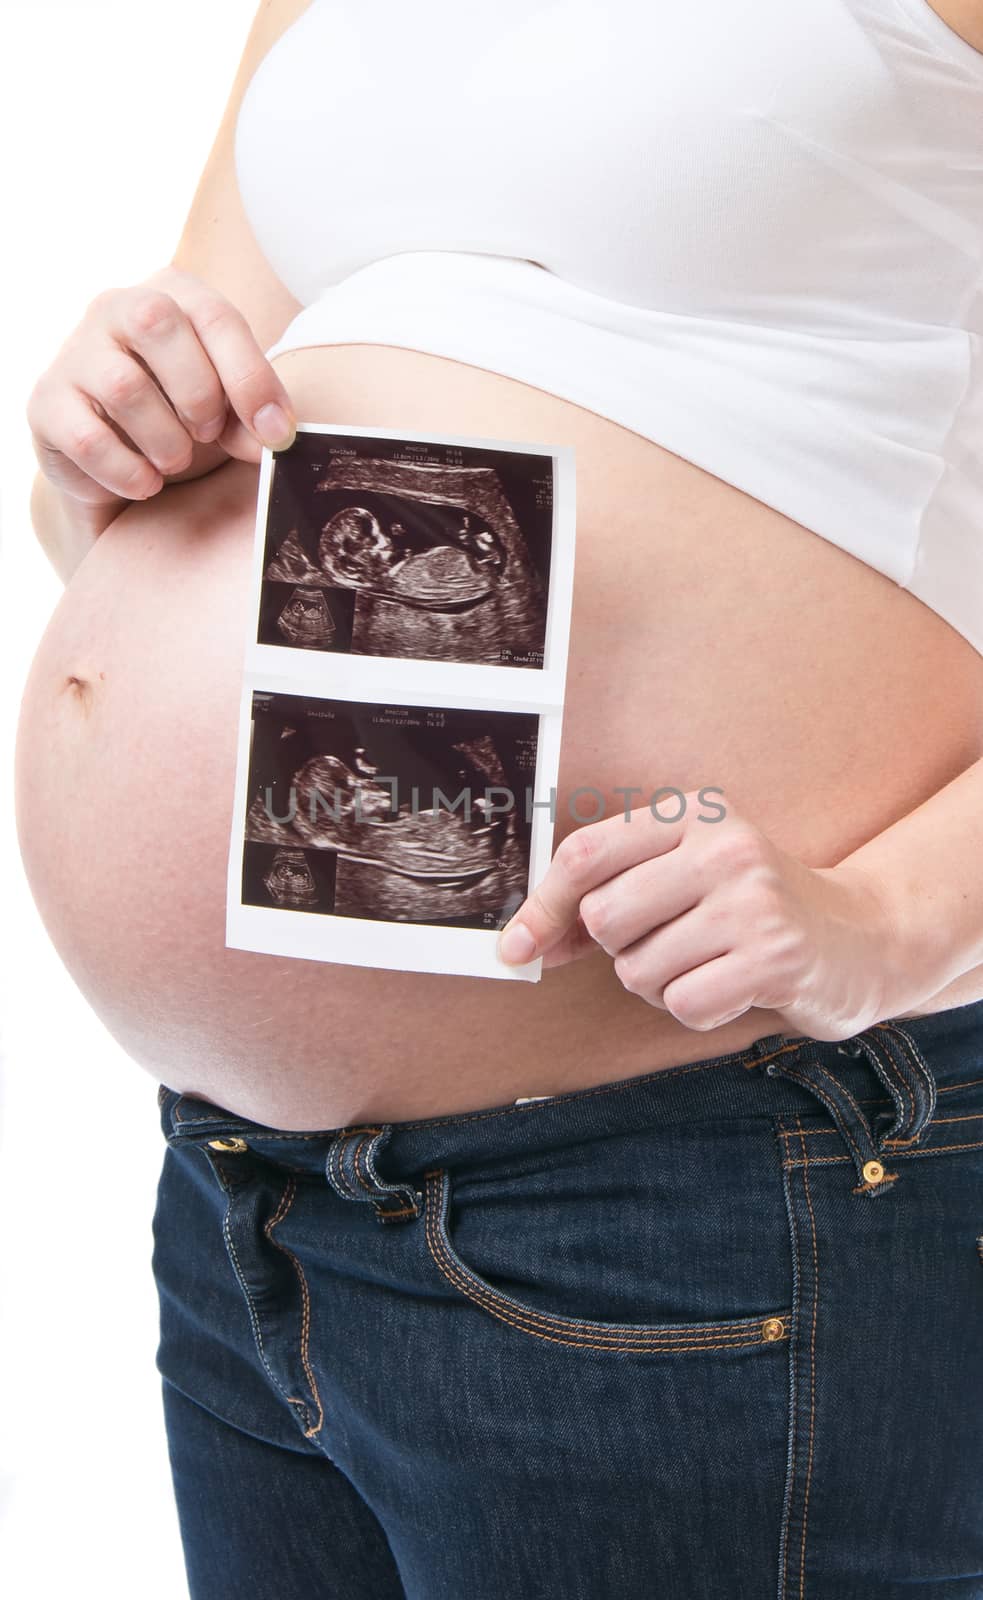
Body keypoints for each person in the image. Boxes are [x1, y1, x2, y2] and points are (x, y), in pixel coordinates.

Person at [14, 0, 983, 1594]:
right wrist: (100, 448)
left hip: (678, 1181)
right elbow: (165, 465)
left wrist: (892, 920)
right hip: (245, 1196)